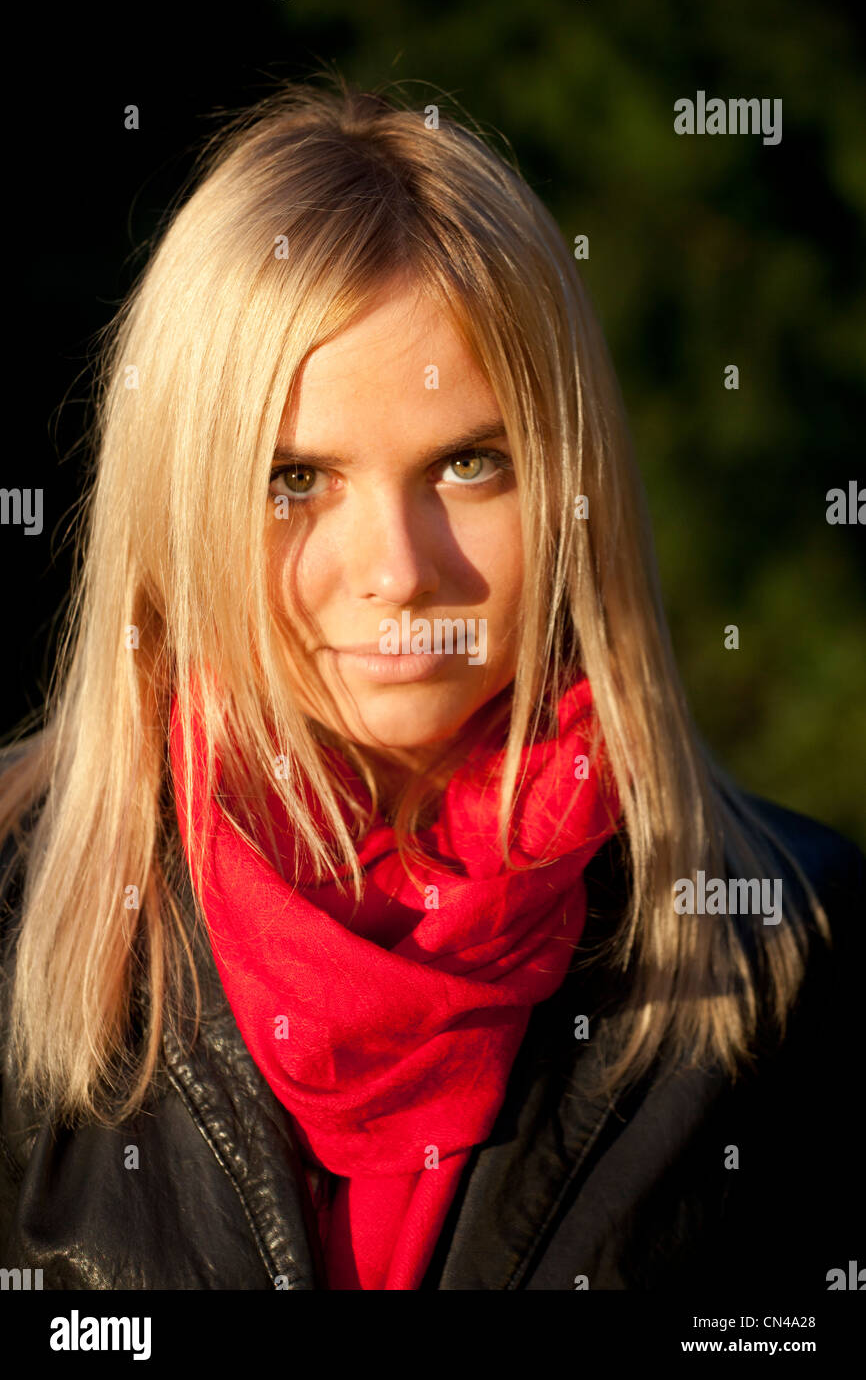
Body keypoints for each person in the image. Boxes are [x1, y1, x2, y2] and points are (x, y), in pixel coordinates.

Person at [0, 74, 862, 1293]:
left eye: (467, 463)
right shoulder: (12, 913)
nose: (400, 573)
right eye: (291, 476)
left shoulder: (796, 952)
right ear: (173, 500)